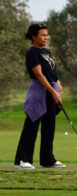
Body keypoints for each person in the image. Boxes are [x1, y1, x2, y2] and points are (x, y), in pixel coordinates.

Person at [15, 23, 65, 169]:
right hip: (39, 92)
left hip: (50, 91)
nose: (45, 38)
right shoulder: (32, 53)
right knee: (32, 125)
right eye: (42, 35)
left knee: (49, 126)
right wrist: (53, 91)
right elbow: (39, 75)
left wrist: (57, 83)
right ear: (34, 37)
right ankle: (23, 160)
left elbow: (51, 71)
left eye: (46, 35)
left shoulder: (46, 52)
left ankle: (47, 159)